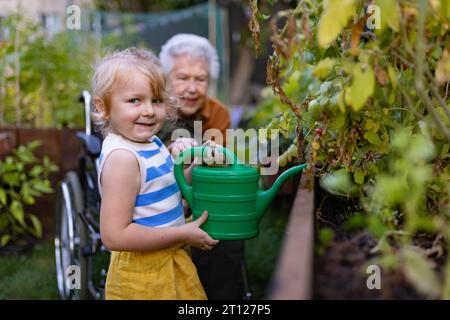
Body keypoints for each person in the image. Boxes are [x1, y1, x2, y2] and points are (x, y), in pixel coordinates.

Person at [92, 48, 219, 300]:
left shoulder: (151, 144)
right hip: (143, 276)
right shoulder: (123, 159)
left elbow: (169, 195)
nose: (149, 111)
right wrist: (183, 233)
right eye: (134, 101)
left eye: (157, 100)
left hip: (169, 260)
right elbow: (114, 235)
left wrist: (197, 165)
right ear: (103, 106)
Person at [159, 34, 247, 300]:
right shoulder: (152, 110)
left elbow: (219, 164)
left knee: (226, 234)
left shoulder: (218, 113)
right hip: (157, 195)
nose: (192, 88)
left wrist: (199, 151)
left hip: (201, 192)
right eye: (182, 77)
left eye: (201, 79)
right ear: (165, 79)